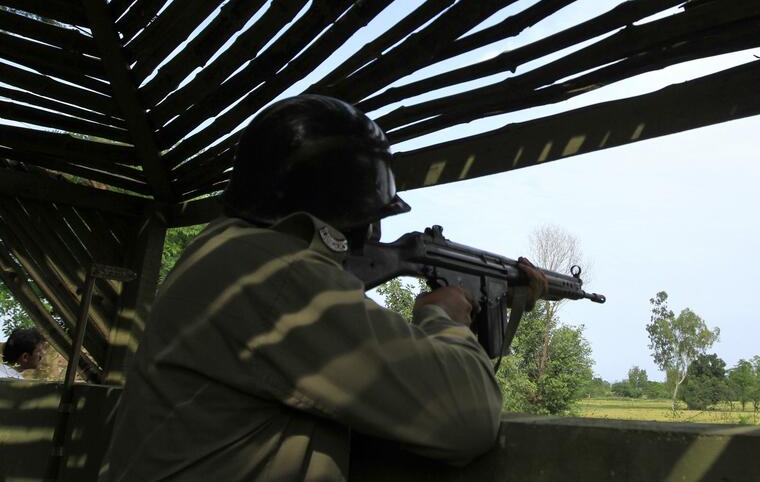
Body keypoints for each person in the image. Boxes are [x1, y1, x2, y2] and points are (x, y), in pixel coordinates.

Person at [101, 95, 544, 481]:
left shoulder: (221, 253)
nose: (374, 233)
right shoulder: (275, 274)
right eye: (371, 219)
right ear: (342, 218)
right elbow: (467, 418)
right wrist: (442, 319)